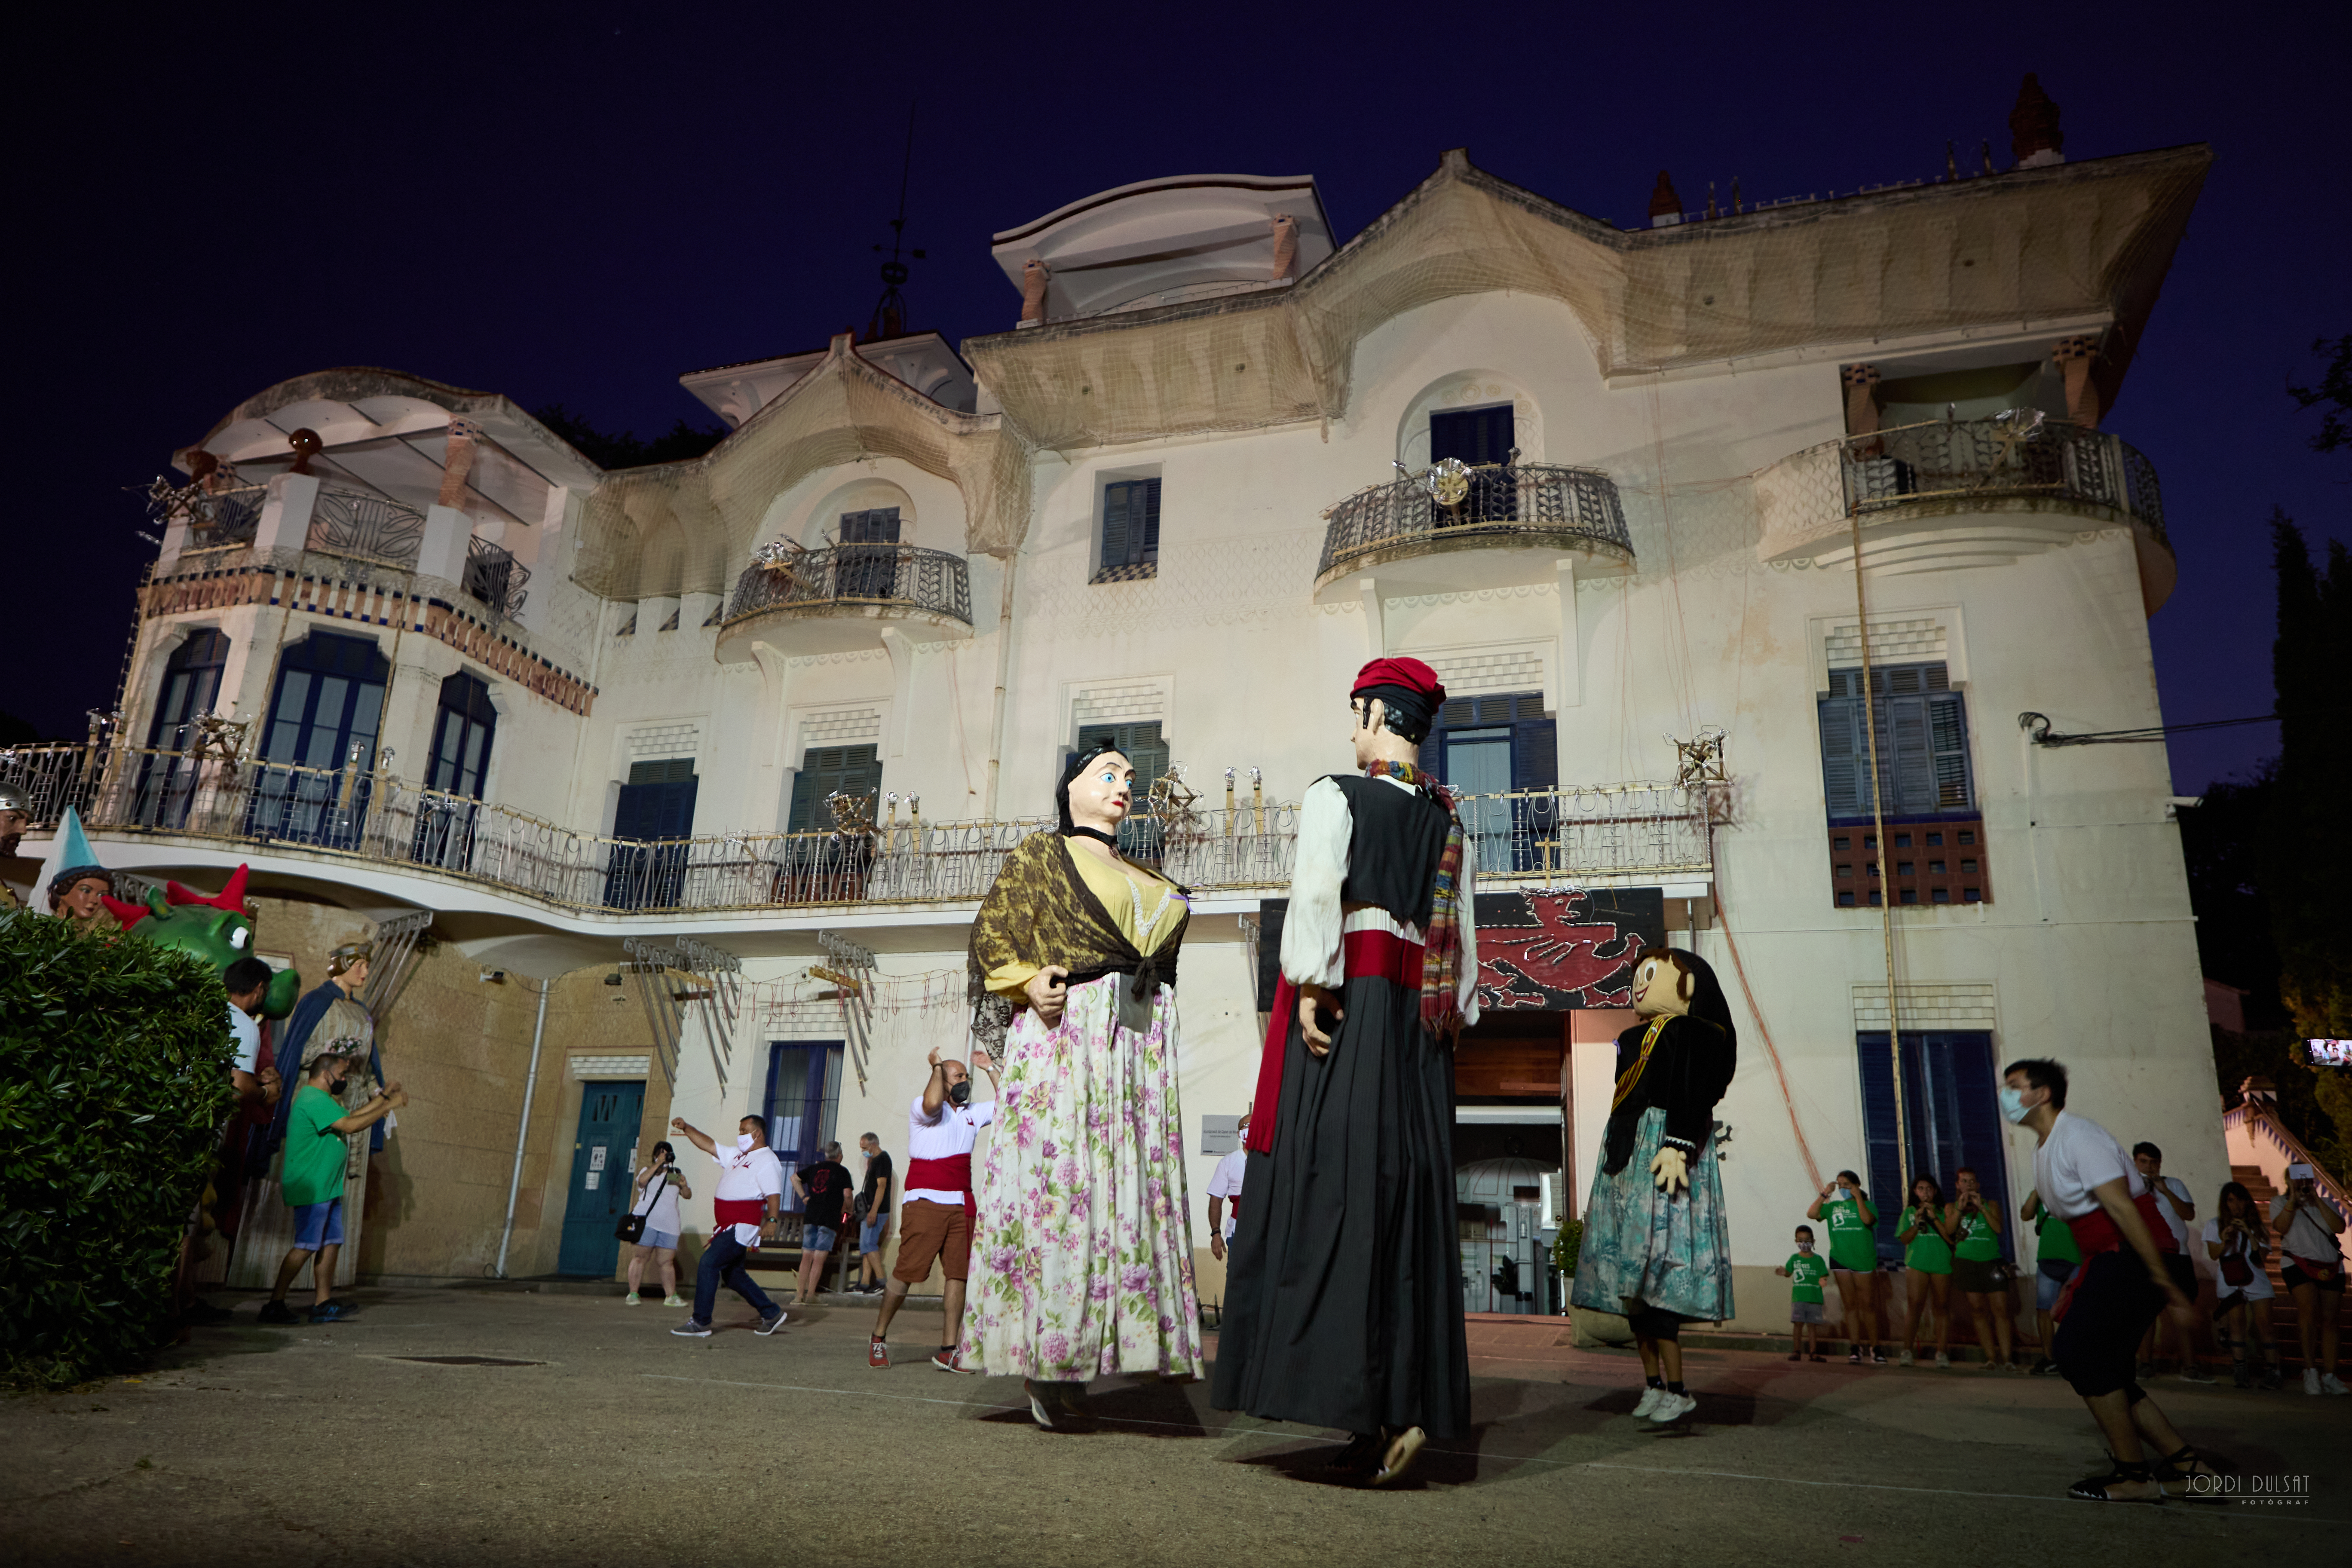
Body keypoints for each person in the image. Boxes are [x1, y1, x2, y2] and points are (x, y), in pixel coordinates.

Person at [1213, 657, 1484, 1486]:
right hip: (1419, 1035)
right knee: (1404, 1207)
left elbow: (1317, 898)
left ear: (1372, 713)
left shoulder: (1337, 793)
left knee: (1330, 1193)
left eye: (1355, 711)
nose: (1352, 726)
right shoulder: (1449, 823)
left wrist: (1310, 985)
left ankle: (1350, 1397)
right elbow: (1464, 962)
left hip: (1353, 1007)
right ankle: (1394, 1410)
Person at [962, 740, 1204, 1430]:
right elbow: (992, 936)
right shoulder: (1043, 857)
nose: (1125, 784)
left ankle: (1085, 1355)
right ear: (1071, 786)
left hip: (1133, 1049)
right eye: (1108, 773)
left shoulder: (1144, 871)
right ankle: (1046, 1355)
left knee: (1117, 1193)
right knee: (1064, 1191)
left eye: (1129, 776)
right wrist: (1024, 978)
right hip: (1070, 1035)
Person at [2000, 1058, 2224, 1501]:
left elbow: (2123, 1210)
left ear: (2042, 1094)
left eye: (2014, 1086)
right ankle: (2190, 1467)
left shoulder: (2079, 1135)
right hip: (2112, 1257)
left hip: (2140, 1254)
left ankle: (2134, 1475)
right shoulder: (2045, 1149)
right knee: (2108, 1366)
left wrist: (2165, 1283)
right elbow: (2089, 1226)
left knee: (2076, 1353)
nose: (2006, 1095)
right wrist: (2083, 1277)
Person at [1573, 946, 1737, 1427]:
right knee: (1634, 1293)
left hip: (1663, 1149)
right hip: (1628, 1153)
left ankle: (1679, 1389)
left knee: (1657, 1280)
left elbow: (1692, 1091)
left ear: (1688, 987)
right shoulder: (1630, 1037)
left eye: (1653, 975)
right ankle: (1653, 1385)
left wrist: (1678, 1143)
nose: (1640, 985)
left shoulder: (1691, 1032)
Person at [258, 1039, 404, 1325]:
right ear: (326, 1075)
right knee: (306, 1245)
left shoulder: (325, 1100)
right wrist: (391, 1105)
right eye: (341, 1075)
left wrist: (384, 1099)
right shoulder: (312, 1098)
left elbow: (351, 1116)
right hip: (312, 1186)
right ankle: (275, 1303)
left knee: (331, 1242)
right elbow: (351, 1126)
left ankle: (323, 1302)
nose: (343, 1081)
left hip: (327, 1186)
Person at [871, 1048, 998, 1373]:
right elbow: (930, 1103)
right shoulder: (925, 1110)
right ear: (942, 1081)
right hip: (926, 1203)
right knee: (907, 1273)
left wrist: (989, 1069)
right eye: (959, 1077)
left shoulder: (971, 1113)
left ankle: (949, 1349)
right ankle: (879, 1337)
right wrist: (938, 1068)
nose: (964, 1082)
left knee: (957, 1275)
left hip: (960, 1204)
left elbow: (1012, 1104)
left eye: (965, 1077)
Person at [668, 1114, 787, 1338]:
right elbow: (710, 1145)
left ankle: (701, 1322)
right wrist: (687, 1128)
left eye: (744, 1131)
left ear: (757, 1133)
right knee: (733, 1276)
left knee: (708, 1264)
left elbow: (773, 1194)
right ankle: (771, 1313)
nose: (740, 1135)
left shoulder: (767, 1159)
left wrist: (772, 1220)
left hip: (741, 1226)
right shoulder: (737, 1155)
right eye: (740, 1130)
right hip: (727, 1226)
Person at [2131, 1142, 2209, 1381]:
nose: (2149, 1167)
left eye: (2154, 1162)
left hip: (2178, 1257)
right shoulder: (2130, 1187)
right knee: (2145, 1313)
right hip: (2146, 1256)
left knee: (2182, 1309)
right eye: (2144, 1162)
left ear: (2161, 1163)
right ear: (2135, 1162)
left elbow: (2188, 1215)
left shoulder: (2174, 1184)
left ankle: (2190, 1366)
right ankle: (2145, 1363)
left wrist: (2165, 1190)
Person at [2271, 1164, 2346, 1394]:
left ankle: (2331, 1375)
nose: (2303, 1183)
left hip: (2330, 1263)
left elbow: (2339, 1227)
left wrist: (2316, 1199)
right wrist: (2293, 1200)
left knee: (2331, 1319)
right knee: (2308, 1310)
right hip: (2297, 1262)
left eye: (2306, 1179)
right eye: (2297, 1179)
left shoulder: (2326, 1202)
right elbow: (2280, 1227)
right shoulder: (2280, 1203)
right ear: (2288, 1180)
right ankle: (2311, 1371)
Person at [2204, 1180, 2280, 1390]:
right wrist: (2224, 1240)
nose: (2235, 1205)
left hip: (2256, 1278)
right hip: (2230, 1279)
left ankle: (2274, 1371)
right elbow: (2213, 1255)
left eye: (2239, 1200)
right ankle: (2240, 1369)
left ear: (2247, 1202)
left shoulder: (2258, 1227)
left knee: (2266, 1325)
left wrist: (2249, 1233)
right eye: (2230, 1201)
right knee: (2236, 1324)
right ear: (2224, 1203)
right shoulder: (2214, 1224)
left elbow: (2260, 1259)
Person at [1809, 1171, 1883, 1363]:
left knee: (1868, 1305)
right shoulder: (1833, 1207)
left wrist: (1858, 1197)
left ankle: (1876, 1347)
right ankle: (1855, 1347)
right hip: (1840, 1260)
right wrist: (1825, 1194)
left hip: (1863, 1260)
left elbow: (1868, 1220)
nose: (1843, 1189)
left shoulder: (1869, 1206)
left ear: (1856, 1185)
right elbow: (1812, 1214)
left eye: (1847, 1185)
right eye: (1840, 1185)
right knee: (1850, 1305)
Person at [1948, 1167, 2017, 1372]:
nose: (1968, 1185)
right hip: (1966, 1262)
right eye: (1964, 1181)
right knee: (1978, 1310)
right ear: (1958, 1186)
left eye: (1972, 1181)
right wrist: (1960, 1209)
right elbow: (1949, 1231)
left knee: (2000, 1309)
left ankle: (2007, 1359)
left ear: (1978, 1186)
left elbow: (1998, 1229)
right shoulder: (1952, 1207)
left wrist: (1983, 1208)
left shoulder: (1992, 1205)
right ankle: (1990, 1358)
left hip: (1991, 1262)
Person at [2021, 1190, 2082, 1376]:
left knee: (2078, 1310)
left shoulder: (2076, 1187)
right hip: (2048, 1257)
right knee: (2044, 1309)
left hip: (2078, 1257)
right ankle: (2049, 1359)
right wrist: (2035, 1192)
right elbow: (2025, 1215)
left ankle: (2077, 1357)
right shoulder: (2041, 1193)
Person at [1897, 1175, 1954, 1368]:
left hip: (1941, 1263)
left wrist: (1934, 1217)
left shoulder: (1945, 1210)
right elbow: (1904, 1239)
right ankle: (1907, 1351)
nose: (1925, 1193)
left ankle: (1942, 1352)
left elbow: (1950, 1237)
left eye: (1929, 1189)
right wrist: (1917, 1223)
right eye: (1921, 1189)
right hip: (1917, 1263)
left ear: (1935, 1191)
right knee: (1914, 1306)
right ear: (1915, 1192)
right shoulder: (1910, 1212)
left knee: (1942, 1307)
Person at [625, 1140, 690, 1307]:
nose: (665, 1155)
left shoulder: (675, 1174)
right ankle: (633, 1294)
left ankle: (671, 1296)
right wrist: (659, 1164)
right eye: (661, 1152)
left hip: (670, 1225)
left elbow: (687, 1195)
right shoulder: (648, 1171)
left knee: (667, 1262)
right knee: (640, 1258)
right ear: (655, 1155)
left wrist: (684, 1185)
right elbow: (642, 1182)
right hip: (648, 1223)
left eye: (667, 1152)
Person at [792, 1140, 855, 1305]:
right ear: (840, 1155)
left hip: (811, 1215)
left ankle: (799, 1296)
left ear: (826, 1155)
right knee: (819, 1258)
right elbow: (848, 1195)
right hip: (829, 1218)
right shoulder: (842, 1171)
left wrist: (804, 1197)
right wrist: (849, 1210)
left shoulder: (814, 1169)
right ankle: (811, 1296)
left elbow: (794, 1178)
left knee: (806, 1257)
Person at [1778, 1225, 1830, 1361]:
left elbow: (1823, 1276)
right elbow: (1788, 1273)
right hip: (1799, 1298)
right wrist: (1783, 1272)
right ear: (1796, 1242)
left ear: (1813, 1241)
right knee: (1798, 1325)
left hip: (1815, 1299)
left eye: (1807, 1240)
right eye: (1801, 1240)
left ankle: (1813, 1353)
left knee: (1812, 1327)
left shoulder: (1818, 1260)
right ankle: (1797, 1352)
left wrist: (1823, 1281)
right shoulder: (1794, 1259)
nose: (1804, 1243)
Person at [1206, 1114, 1248, 1264]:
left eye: (1254, 1125)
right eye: (1246, 1126)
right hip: (1238, 1231)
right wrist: (1216, 1233)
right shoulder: (1228, 1163)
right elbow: (1216, 1199)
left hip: (1269, 1231)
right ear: (1239, 1134)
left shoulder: (1273, 1160)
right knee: (1237, 1279)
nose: (1250, 1129)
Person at [854, 1132, 892, 1294]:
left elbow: (881, 1186)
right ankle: (864, 1283)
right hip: (870, 1210)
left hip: (876, 1210)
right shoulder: (874, 1160)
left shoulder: (882, 1159)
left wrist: (874, 1211)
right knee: (866, 1247)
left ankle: (882, 1282)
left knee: (869, 1245)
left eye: (865, 1147)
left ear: (873, 1145)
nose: (863, 1151)